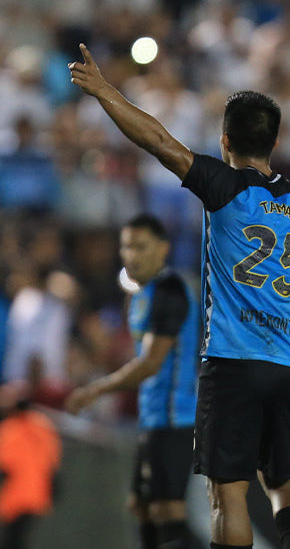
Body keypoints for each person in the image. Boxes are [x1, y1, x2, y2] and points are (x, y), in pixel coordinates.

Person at [70, 45, 290, 549]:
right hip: (285, 364)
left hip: (232, 361)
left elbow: (158, 141)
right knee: (284, 483)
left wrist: (105, 91)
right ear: (275, 142)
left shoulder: (224, 187)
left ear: (225, 141)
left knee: (227, 493)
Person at [66, 214, 200, 549]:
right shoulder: (143, 292)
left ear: (162, 249)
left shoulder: (170, 291)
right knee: (141, 506)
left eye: (141, 246)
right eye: (127, 247)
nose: (132, 254)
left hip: (175, 416)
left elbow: (152, 362)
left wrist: (97, 388)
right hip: (152, 415)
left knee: (167, 510)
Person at [0, 384, 62, 549]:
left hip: (13, 499)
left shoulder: (8, 429)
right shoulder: (43, 425)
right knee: (16, 541)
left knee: (9, 542)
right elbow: (53, 464)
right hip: (38, 497)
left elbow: (3, 471)